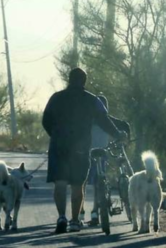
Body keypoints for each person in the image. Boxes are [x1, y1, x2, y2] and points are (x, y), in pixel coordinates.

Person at [42, 68, 128, 234]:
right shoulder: (92, 100)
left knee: (60, 183)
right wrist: (117, 134)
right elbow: (104, 120)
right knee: (77, 184)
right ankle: (74, 221)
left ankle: (61, 217)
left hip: (58, 145)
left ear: (69, 79)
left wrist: (55, 135)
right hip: (80, 147)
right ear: (84, 81)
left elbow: (46, 120)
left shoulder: (56, 98)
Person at [80, 95, 131, 226]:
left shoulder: (86, 119)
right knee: (99, 181)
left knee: (83, 182)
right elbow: (124, 125)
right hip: (102, 153)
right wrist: (126, 138)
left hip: (87, 154)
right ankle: (95, 211)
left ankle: (81, 212)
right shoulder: (107, 120)